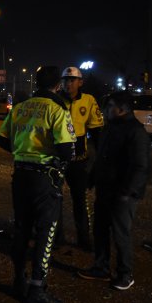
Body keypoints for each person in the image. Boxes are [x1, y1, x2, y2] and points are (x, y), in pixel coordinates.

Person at [0, 66, 76, 303]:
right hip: (45, 179)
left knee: (21, 229)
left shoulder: (20, 108)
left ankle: (18, 280)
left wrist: (23, 153)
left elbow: (1, 139)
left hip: (20, 176)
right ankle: (37, 289)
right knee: (45, 232)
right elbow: (67, 151)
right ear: (57, 86)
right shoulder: (57, 109)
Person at [77, 91, 150, 291]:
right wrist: (92, 178)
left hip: (122, 194)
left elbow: (140, 166)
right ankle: (100, 267)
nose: (105, 110)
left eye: (109, 106)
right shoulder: (110, 128)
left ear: (121, 109)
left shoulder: (136, 131)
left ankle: (125, 274)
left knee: (120, 234)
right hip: (105, 189)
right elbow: (102, 158)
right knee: (100, 230)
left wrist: (127, 192)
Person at [55, 66, 104, 250]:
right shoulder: (55, 100)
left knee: (80, 201)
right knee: (55, 199)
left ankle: (84, 239)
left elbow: (97, 131)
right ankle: (56, 237)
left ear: (80, 82)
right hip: (58, 159)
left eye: (72, 80)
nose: (68, 83)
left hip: (79, 161)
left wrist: (100, 159)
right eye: (65, 80)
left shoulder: (89, 101)